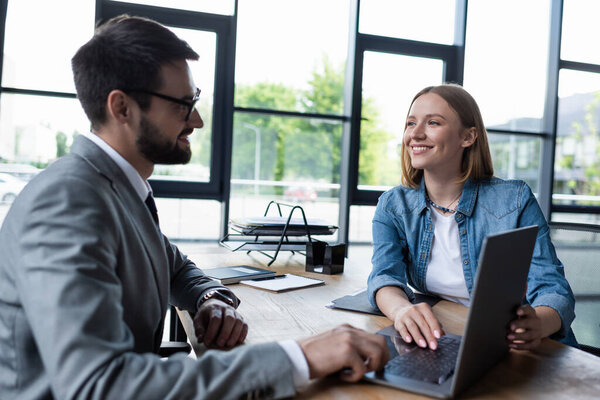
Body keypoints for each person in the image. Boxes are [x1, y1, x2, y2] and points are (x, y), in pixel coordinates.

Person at [0, 15, 388, 400]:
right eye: (183, 105)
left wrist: (209, 298)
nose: (198, 121)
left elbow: (174, 265)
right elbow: (100, 385)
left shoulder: (114, 188)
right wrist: (299, 357)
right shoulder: (69, 202)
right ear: (122, 108)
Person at [367, 83, 577, 352]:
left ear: (468, 137)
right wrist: (401, 311)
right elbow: (384, 277)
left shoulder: (514, 200)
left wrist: (538, 323)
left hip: (524, 349)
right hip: (446, 339)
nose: (415, 134)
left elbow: (554, 289)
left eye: (433, 122)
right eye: (410, 123)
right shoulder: (393, 206)